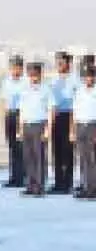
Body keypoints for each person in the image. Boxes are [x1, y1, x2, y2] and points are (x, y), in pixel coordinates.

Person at [18, 62, 55, 197]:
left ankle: (39, 186)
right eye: (31, 75)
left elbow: (51, 110)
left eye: (36, 74)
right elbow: (22, 110)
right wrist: (20, 128)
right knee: (28, 157)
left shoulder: (46, 89)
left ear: (40, 74)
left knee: (39, 157)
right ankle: (30, 185)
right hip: (27, 125)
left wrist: (48, 129)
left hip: (40, 125)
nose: (33, 77)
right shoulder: (24, 90)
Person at [50, 52, 78, 194]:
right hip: (56, 116)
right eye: (57, 63)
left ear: (68, 63)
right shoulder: (54, 80)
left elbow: (77, 102)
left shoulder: (75, 80)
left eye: (61, 63)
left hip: (69, 116)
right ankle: (58, 182)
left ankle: (67, 183)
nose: (59, 65)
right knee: (57, 151)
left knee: (67, 151)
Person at [72, 62, 96, 200]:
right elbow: (75, 111)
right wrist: (73, 130)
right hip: (81, 126)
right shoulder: (79, 91)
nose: (89, 79)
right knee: (83, 159)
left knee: (93, 159)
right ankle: (86, 186)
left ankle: (93, 189)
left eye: (91, 76)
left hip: (93, 126)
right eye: (86, 76)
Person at [1, 57, 27, 188]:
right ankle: (14, 177)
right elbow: (5, 101)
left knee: (22, 147)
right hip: (10, 114)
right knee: (12, 147)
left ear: (21, 68)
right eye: (12, 67)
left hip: (21, 114)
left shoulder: (26, 82)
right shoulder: (7, 82)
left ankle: (23, 176)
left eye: (17, 67)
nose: (14, 70)